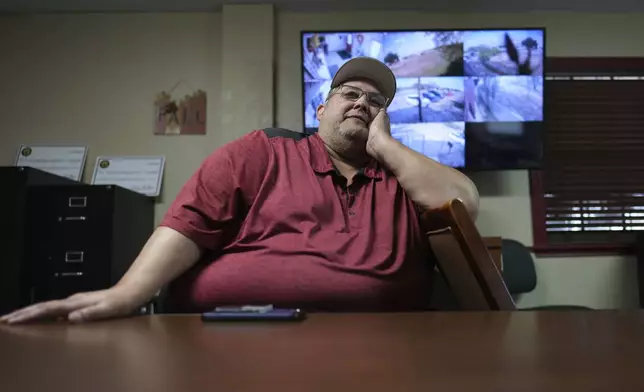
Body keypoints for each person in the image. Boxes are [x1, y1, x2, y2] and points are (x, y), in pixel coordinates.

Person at [1, 57, 479, 325]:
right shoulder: (262, 151)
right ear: (320, 108)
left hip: (380, 348)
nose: (361, 103)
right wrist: (127, 294)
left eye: (375, 102)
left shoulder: (403, 173)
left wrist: (385, 146)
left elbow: (464, 202)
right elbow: (187, 224)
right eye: (349, 94)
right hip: (233, 333)